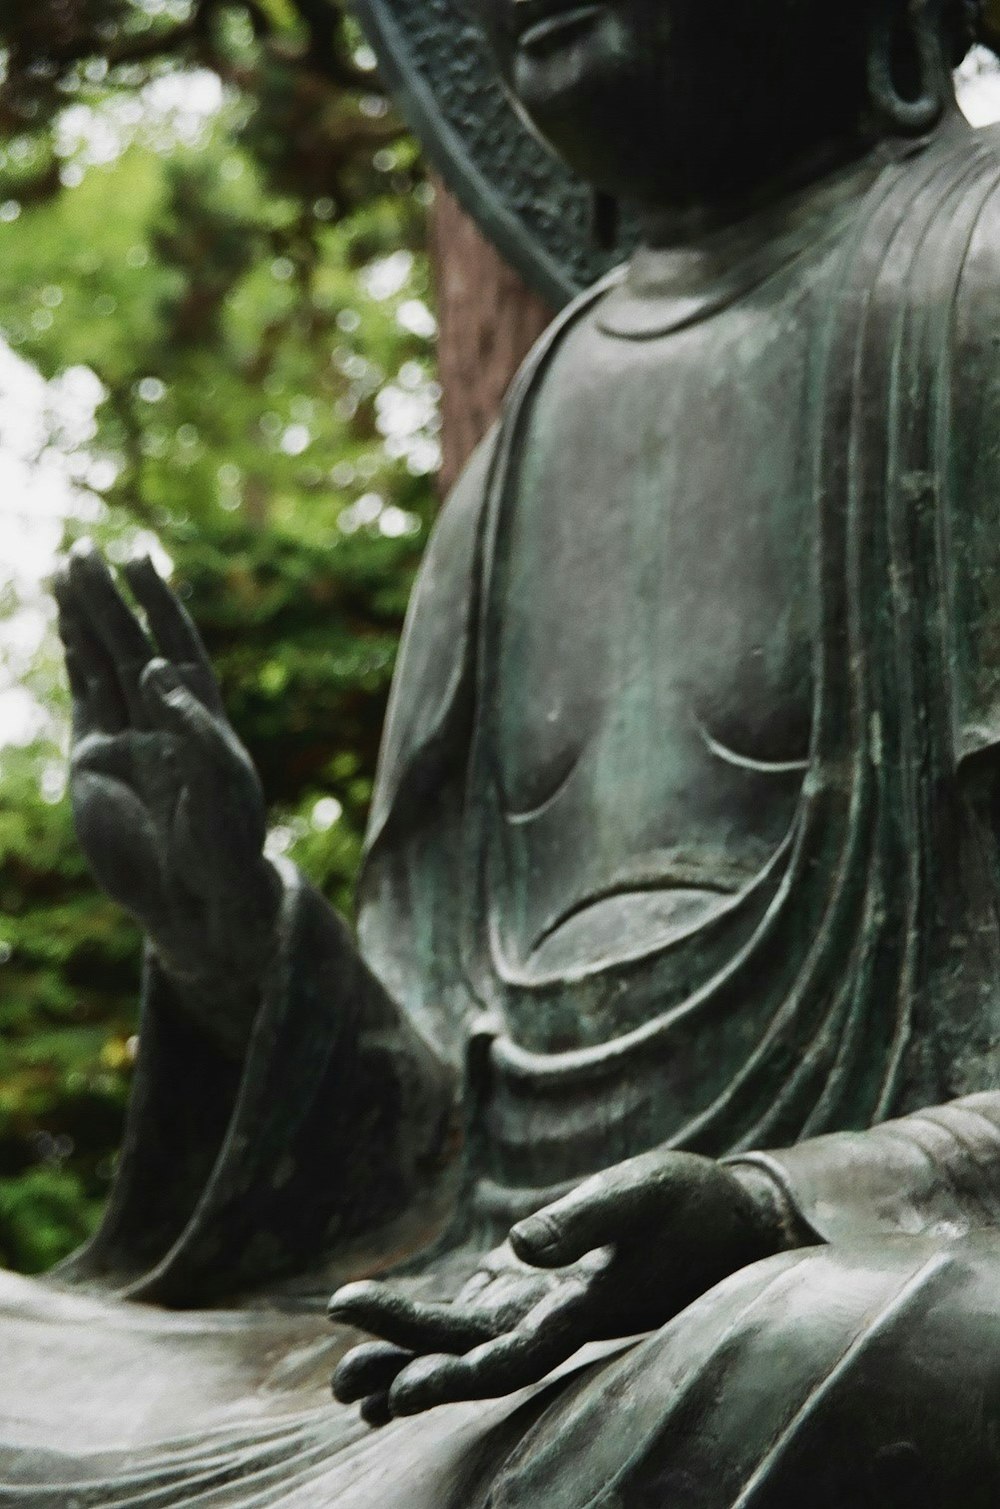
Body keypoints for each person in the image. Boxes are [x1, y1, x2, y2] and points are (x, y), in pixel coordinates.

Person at [7, 0, 1000, 1503]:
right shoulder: (532, 426)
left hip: (803, 1279)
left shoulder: (978, 285)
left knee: (865, 1354)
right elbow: (439, 1144)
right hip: (460, 1334)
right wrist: (238, 945)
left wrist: (767, 1203)